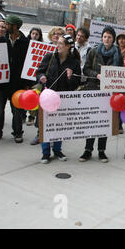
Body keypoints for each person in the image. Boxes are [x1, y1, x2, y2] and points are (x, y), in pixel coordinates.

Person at [79, 26, 124, 163]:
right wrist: (96, 74)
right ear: (102, 38)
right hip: (93, 89)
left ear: (113, 39)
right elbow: (86, 69)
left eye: (109, 37)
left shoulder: (118, 54)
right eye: (105, 36)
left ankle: (101, 151)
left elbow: (121, 72)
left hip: (108, 92)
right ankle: (87, 150)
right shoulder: (93, 52)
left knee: (104, 122)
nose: (107, 39)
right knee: (92, 121)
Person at [36, 35, 81, 163]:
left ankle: (57, 150)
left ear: (68, 46)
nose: (58, 45)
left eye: (61, 43)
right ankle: (45, 153)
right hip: (48, 96)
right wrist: (41, 77)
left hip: (63, 98)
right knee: (45, 125)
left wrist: (70, 77)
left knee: (60, 126)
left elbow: (76, 84)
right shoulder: (49, 57)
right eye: (58, 42)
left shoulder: (74, 62)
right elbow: (39, 71)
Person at [0, 15, 32, 143]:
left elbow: (28, 65)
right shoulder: (0, 40)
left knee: (17, 109)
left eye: (7, 24)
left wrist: (27, 84)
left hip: (17, 84)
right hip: (1, 83)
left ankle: (18, 133)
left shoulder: (26, 43)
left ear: (14, 26)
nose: (5, 27)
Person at [26, 27, 44, 128]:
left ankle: (31, 116)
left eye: (37, 34)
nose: (34, 36)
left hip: (37, 76)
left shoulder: (43, 46)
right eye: (33, 33)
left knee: (34, 96)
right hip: (26, 75)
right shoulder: (25, 44)